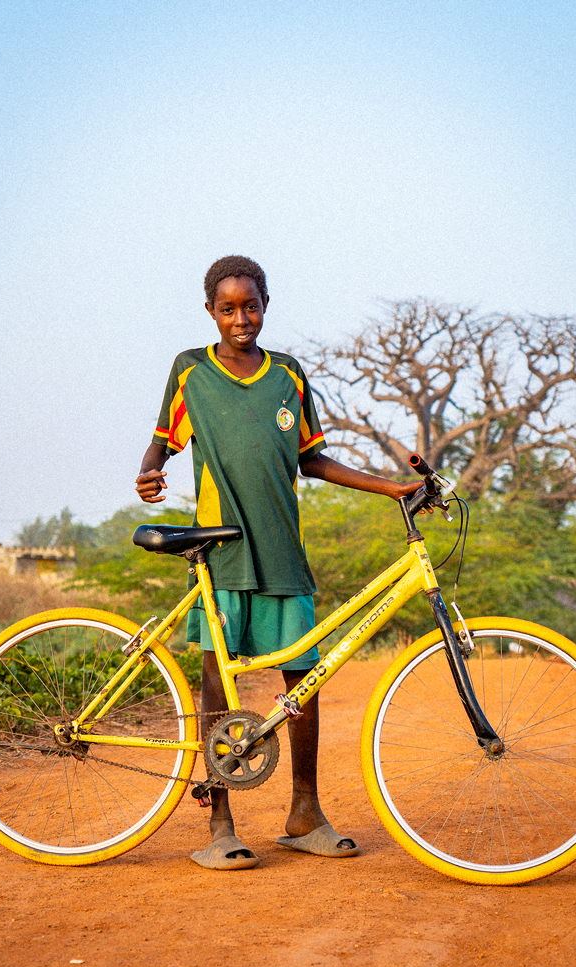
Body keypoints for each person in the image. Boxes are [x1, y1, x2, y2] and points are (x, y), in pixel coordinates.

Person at [135, 255, 418, 870]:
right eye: (228, 308)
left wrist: (389, 486)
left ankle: (305, 812)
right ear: (210, 311)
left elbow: (312, 460)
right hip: (222, 552)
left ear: (266, 304)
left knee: (304, 683)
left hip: (283, 552)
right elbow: (163, 438)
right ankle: (219, 825)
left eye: (251, 305)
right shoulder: (191, 370)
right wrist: (150, 471)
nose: (242, 318)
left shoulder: (288, 375)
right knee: (219, 684)